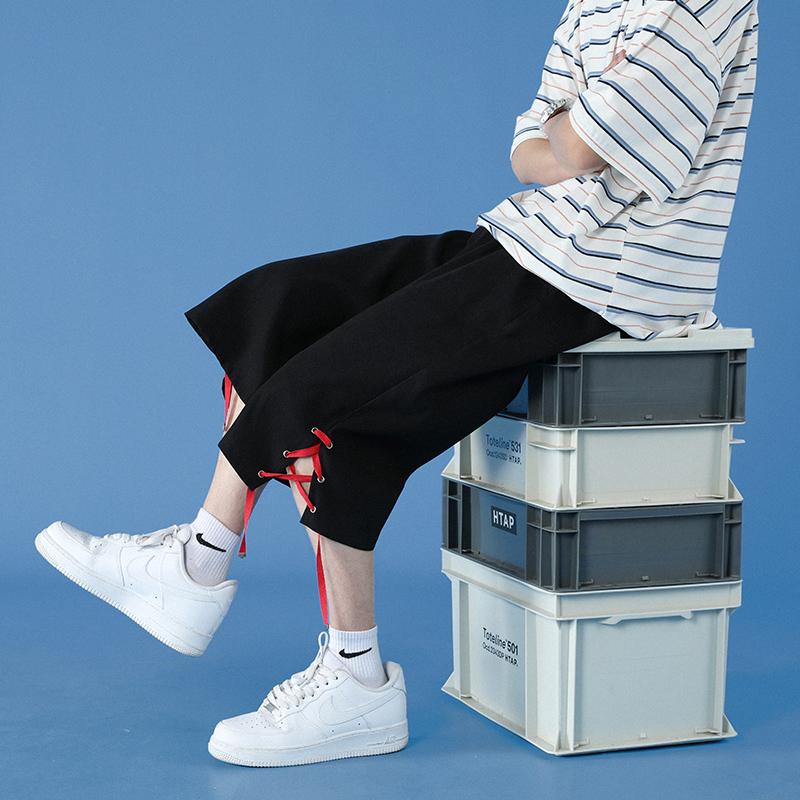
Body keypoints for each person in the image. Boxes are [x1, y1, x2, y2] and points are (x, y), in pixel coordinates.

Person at [35, 0, 758, 768]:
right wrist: (577, 127)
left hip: (603, 278)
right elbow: (530, 154)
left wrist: (571, 131)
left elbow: (572, 147)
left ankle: (337, 666)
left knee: (324, 400)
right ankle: (204, 560)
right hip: (524, 240)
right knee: (276, 310)